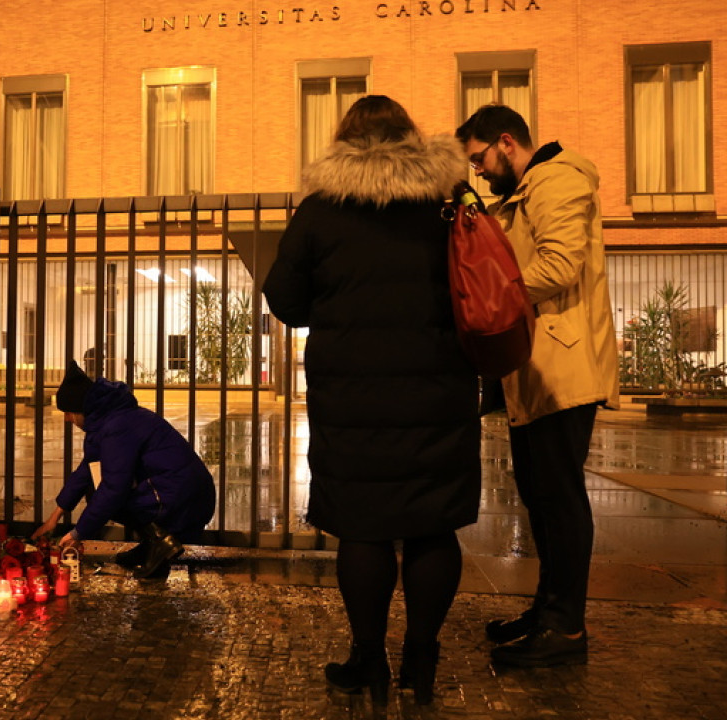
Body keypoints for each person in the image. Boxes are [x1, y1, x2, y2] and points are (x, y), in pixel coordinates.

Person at [263, 96, 481, 706]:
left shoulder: (321, 210)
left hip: (352, 398)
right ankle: (421, 659)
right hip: (439, 391)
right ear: (410, 136)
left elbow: (285, 300)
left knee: (364, 528)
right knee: (433, 526)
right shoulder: (447, 201)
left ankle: (370, 661)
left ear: (345, 141)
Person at [455, 104, 620, 667]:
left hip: (562, 367)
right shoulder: (525, 192)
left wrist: (490, 297)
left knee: (559, 498)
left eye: (480, 159)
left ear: (507, 142)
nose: (479, 171)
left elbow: (558, 266)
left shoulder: (558, 180)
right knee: (540, 495)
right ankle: (548, 609)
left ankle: (565, 626)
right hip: (535, 368)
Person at [31, 360, 216, 579]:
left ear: (83, 408)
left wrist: (77, 534)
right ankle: (151, 544)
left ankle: (162, 543)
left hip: (185, 499)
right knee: (96, 487)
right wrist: (54, 518)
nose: (67, 418)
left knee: (106, 494)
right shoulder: (106, 420)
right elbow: (85, 471)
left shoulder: (117, 426)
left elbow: (113, 488)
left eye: (69, 412)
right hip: (178, 492)